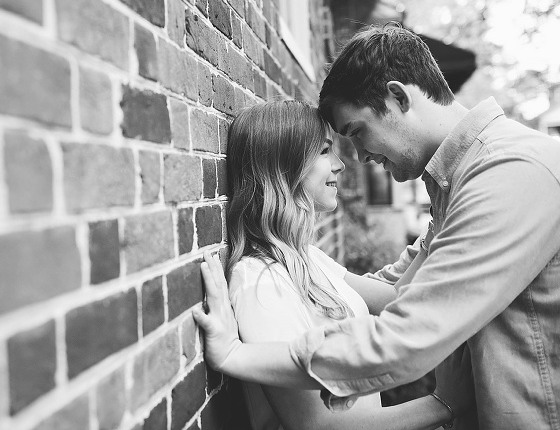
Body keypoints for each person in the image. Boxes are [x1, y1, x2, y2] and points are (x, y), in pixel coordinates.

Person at [193, 22, 560, 430]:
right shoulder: (460, 182)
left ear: (398, 97)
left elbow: (407, 336)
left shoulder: (508, 173)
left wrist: (238, 356)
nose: (358, 158)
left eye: (356, 132)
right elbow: (404, 287)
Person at [199, 99, 471, 430]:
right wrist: (444, 405)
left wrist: (444, 221)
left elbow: (397, 297)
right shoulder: (261, 282)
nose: (341, 164)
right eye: (325, 151)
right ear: (286, 164)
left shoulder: (305, 256)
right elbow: (317, 424)